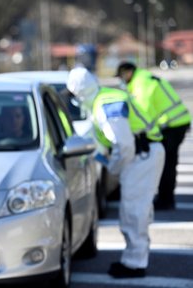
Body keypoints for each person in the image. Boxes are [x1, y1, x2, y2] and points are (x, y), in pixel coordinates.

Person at [66, 67, 165, 278]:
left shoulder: (105, 105)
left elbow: (124, 145)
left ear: (80, 93)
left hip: (141, 155)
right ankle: (135, 259)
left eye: (74, 96)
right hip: (142, 154)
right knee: (136, 210)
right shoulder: (102, 100)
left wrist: (113, 169)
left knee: (134, 212)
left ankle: (134, 264)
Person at [116, 62, 191, 210]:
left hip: (171, 126)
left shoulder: (140, 84)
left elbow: (143, 113)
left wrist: (142, 134)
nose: (121, 80)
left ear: (128, 72)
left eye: (121, 76)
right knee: (168, 162)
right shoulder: (143, 78)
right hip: (177, 123)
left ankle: (166, 200)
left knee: (165, 164)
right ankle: (166, 198)